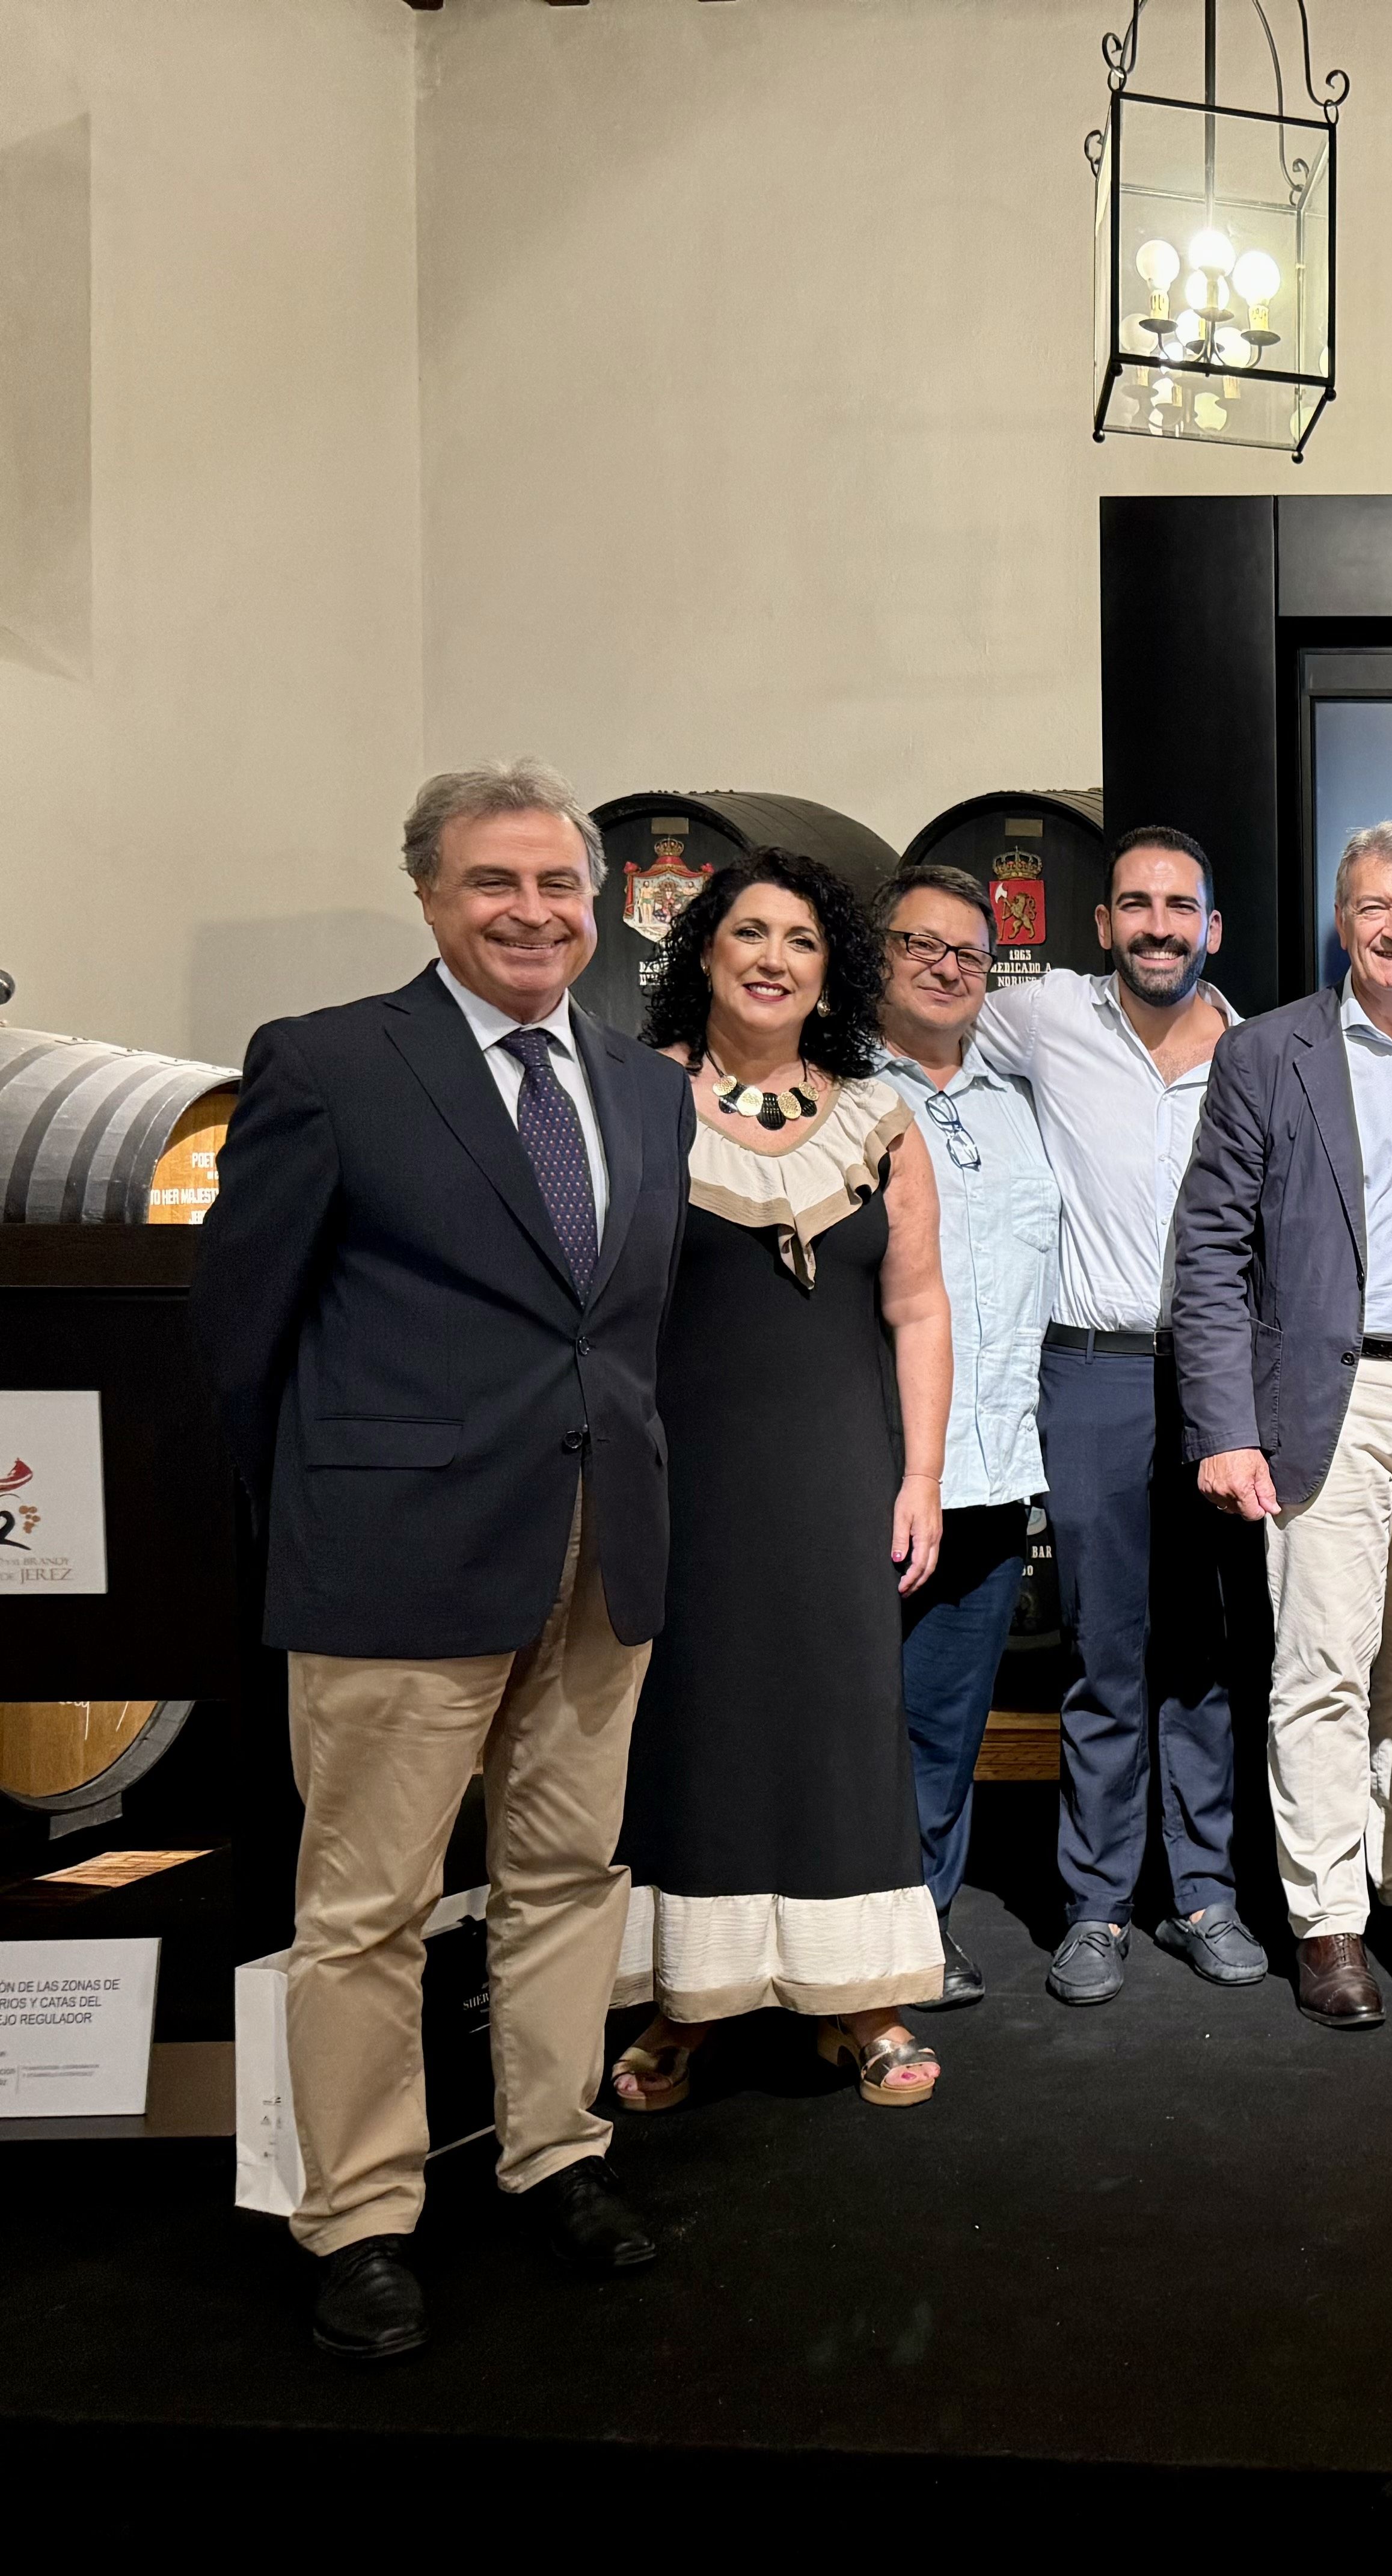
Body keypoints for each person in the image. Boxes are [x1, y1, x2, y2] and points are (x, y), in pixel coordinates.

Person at [194, 761, 693, 2360]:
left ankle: (555, 2149)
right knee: (368, 1908)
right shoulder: (332, 1064)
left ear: (598, 900)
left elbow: (618, 1330)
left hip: (600, 1552)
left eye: (559, 884)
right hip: (392, 1560)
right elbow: (240, 1335)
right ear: (427, 893)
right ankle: (361, 2214)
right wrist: (317, 1524)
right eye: (496, 883)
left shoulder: (642, 1085)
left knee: (567, 1876)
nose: (534, 912)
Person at [609, 850, 952, 2115]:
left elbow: (918, 1308)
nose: (771, 958)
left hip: (837, 1469)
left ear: (831, 973)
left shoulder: (878, 1117)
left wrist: (919, 1475)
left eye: (800, 941)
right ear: (700, 952)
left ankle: (856, 1997)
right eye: (746, 933)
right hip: (681, 1468)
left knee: (838, 1713)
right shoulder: (635, 1101)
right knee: (691, 1716)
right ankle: (682, 2005)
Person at [1175, 818, 1392, 2030]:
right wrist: (1225, 1424)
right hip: (1327, 1395)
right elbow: (1209, 1255)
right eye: (1373, 909)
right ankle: (1327, 1922)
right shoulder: (1269, 1054)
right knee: (1321, 1664)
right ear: (1342, 924)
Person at [974, 828, 1266, 2004]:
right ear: (1102, 924)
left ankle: (1202, 1893)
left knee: (1201, 1652)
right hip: (1089, 1370)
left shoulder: (1255, 1052)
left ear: (1213, 928)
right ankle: (1094, 1906)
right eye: (1135, 904)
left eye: (1179, 906)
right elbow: (916, 1054)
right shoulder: (1041, 1020)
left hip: (1216, 1380)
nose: (1157, 924)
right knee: (1104, 1650)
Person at [872, 864, 1061, 2008]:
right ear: (875, 957)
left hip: (996, 1477)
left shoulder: (1016, 1100)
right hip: (879, 1473)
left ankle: (920, 1925)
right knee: (854, 1720)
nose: (946, 969)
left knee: (946, 1725)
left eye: (968, 955)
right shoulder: (839, 1096)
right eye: (919, 947)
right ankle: (835, 1938)